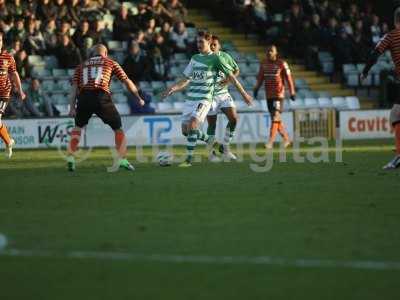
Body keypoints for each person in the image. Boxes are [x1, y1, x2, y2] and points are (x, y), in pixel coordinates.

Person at [162, 31, 252, 167]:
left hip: (205, 98)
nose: (198, 44)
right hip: (190, 99)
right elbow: (186, 79)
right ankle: (216, 144)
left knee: (193, 125)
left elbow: (233, 76)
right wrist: (173, 88)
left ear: (209, 43)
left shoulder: (216, 59)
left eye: (201, 42)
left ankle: (188, 160)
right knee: (186, 131)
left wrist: (244, 94)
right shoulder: (194, 58)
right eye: (197, 42)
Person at [67, 44, 145, 172]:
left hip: (84, 97)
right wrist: (138, 97)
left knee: (78, 127)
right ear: (106, 53)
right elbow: (126, 81)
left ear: (92, 53)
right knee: (118, 128)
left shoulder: (81, 66)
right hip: (101, 96)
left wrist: (72, 108)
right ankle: (122, 160)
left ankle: (70, 157)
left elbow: (74, 89)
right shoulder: (111, 63)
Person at [361, 7, 400, 170]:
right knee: (396, 114)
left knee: (395, 115)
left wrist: (365, 71)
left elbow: (375, 53)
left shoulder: (391, 36)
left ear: (394, 20)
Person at [253, 45, 296, 149]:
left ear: (276, 53)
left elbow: (288, 79)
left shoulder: (282, 64)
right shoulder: (263, 64)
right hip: (269, 95)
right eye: (268, 51)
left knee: (276, 116)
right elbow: (260, 78)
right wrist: (256, 89)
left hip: (279, 95)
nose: (269, 53)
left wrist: (292, 92)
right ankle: (286, 139)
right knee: (275, 119)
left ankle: (270, 142)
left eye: (271, 51)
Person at [206, 35, 241, 162]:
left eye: (215, 44)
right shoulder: (205, 58)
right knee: (212, 124)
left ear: (219, 46)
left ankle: (225, 147)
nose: (212, 46)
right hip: (210, 96)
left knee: (234, 118)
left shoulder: (225, 57)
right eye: (210, 44)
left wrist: (228, 80)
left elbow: (236, 70)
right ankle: (211, 153)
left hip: (224, 94)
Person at [0, 32, 26, 158]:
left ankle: (8, 141)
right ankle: (9, 141)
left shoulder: (8, 57)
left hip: (3, 92)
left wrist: (20, 90)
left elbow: (14, 74)